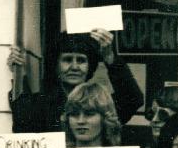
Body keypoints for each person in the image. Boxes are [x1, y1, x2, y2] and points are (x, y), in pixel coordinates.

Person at [10, 31, 142, 135]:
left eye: (81, 60)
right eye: (67, 60)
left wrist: (110, 59)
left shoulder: (101, 104)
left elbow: (133, 99)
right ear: (56, 65)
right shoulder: (41, 103)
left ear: (90, 66)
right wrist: (19, 73)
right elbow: (22, 118)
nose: (74, 67)